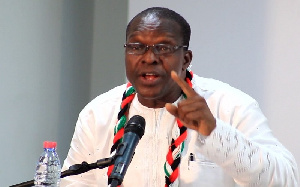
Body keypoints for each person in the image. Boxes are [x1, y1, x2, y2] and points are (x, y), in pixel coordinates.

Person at [61, 7, 299, 187]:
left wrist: (215, 133)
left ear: (186, 58)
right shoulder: (98, 114)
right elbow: (73, 183)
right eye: (137, 46)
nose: (149, 58)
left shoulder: (230, 105)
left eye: (163, 48)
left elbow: (286, 179)